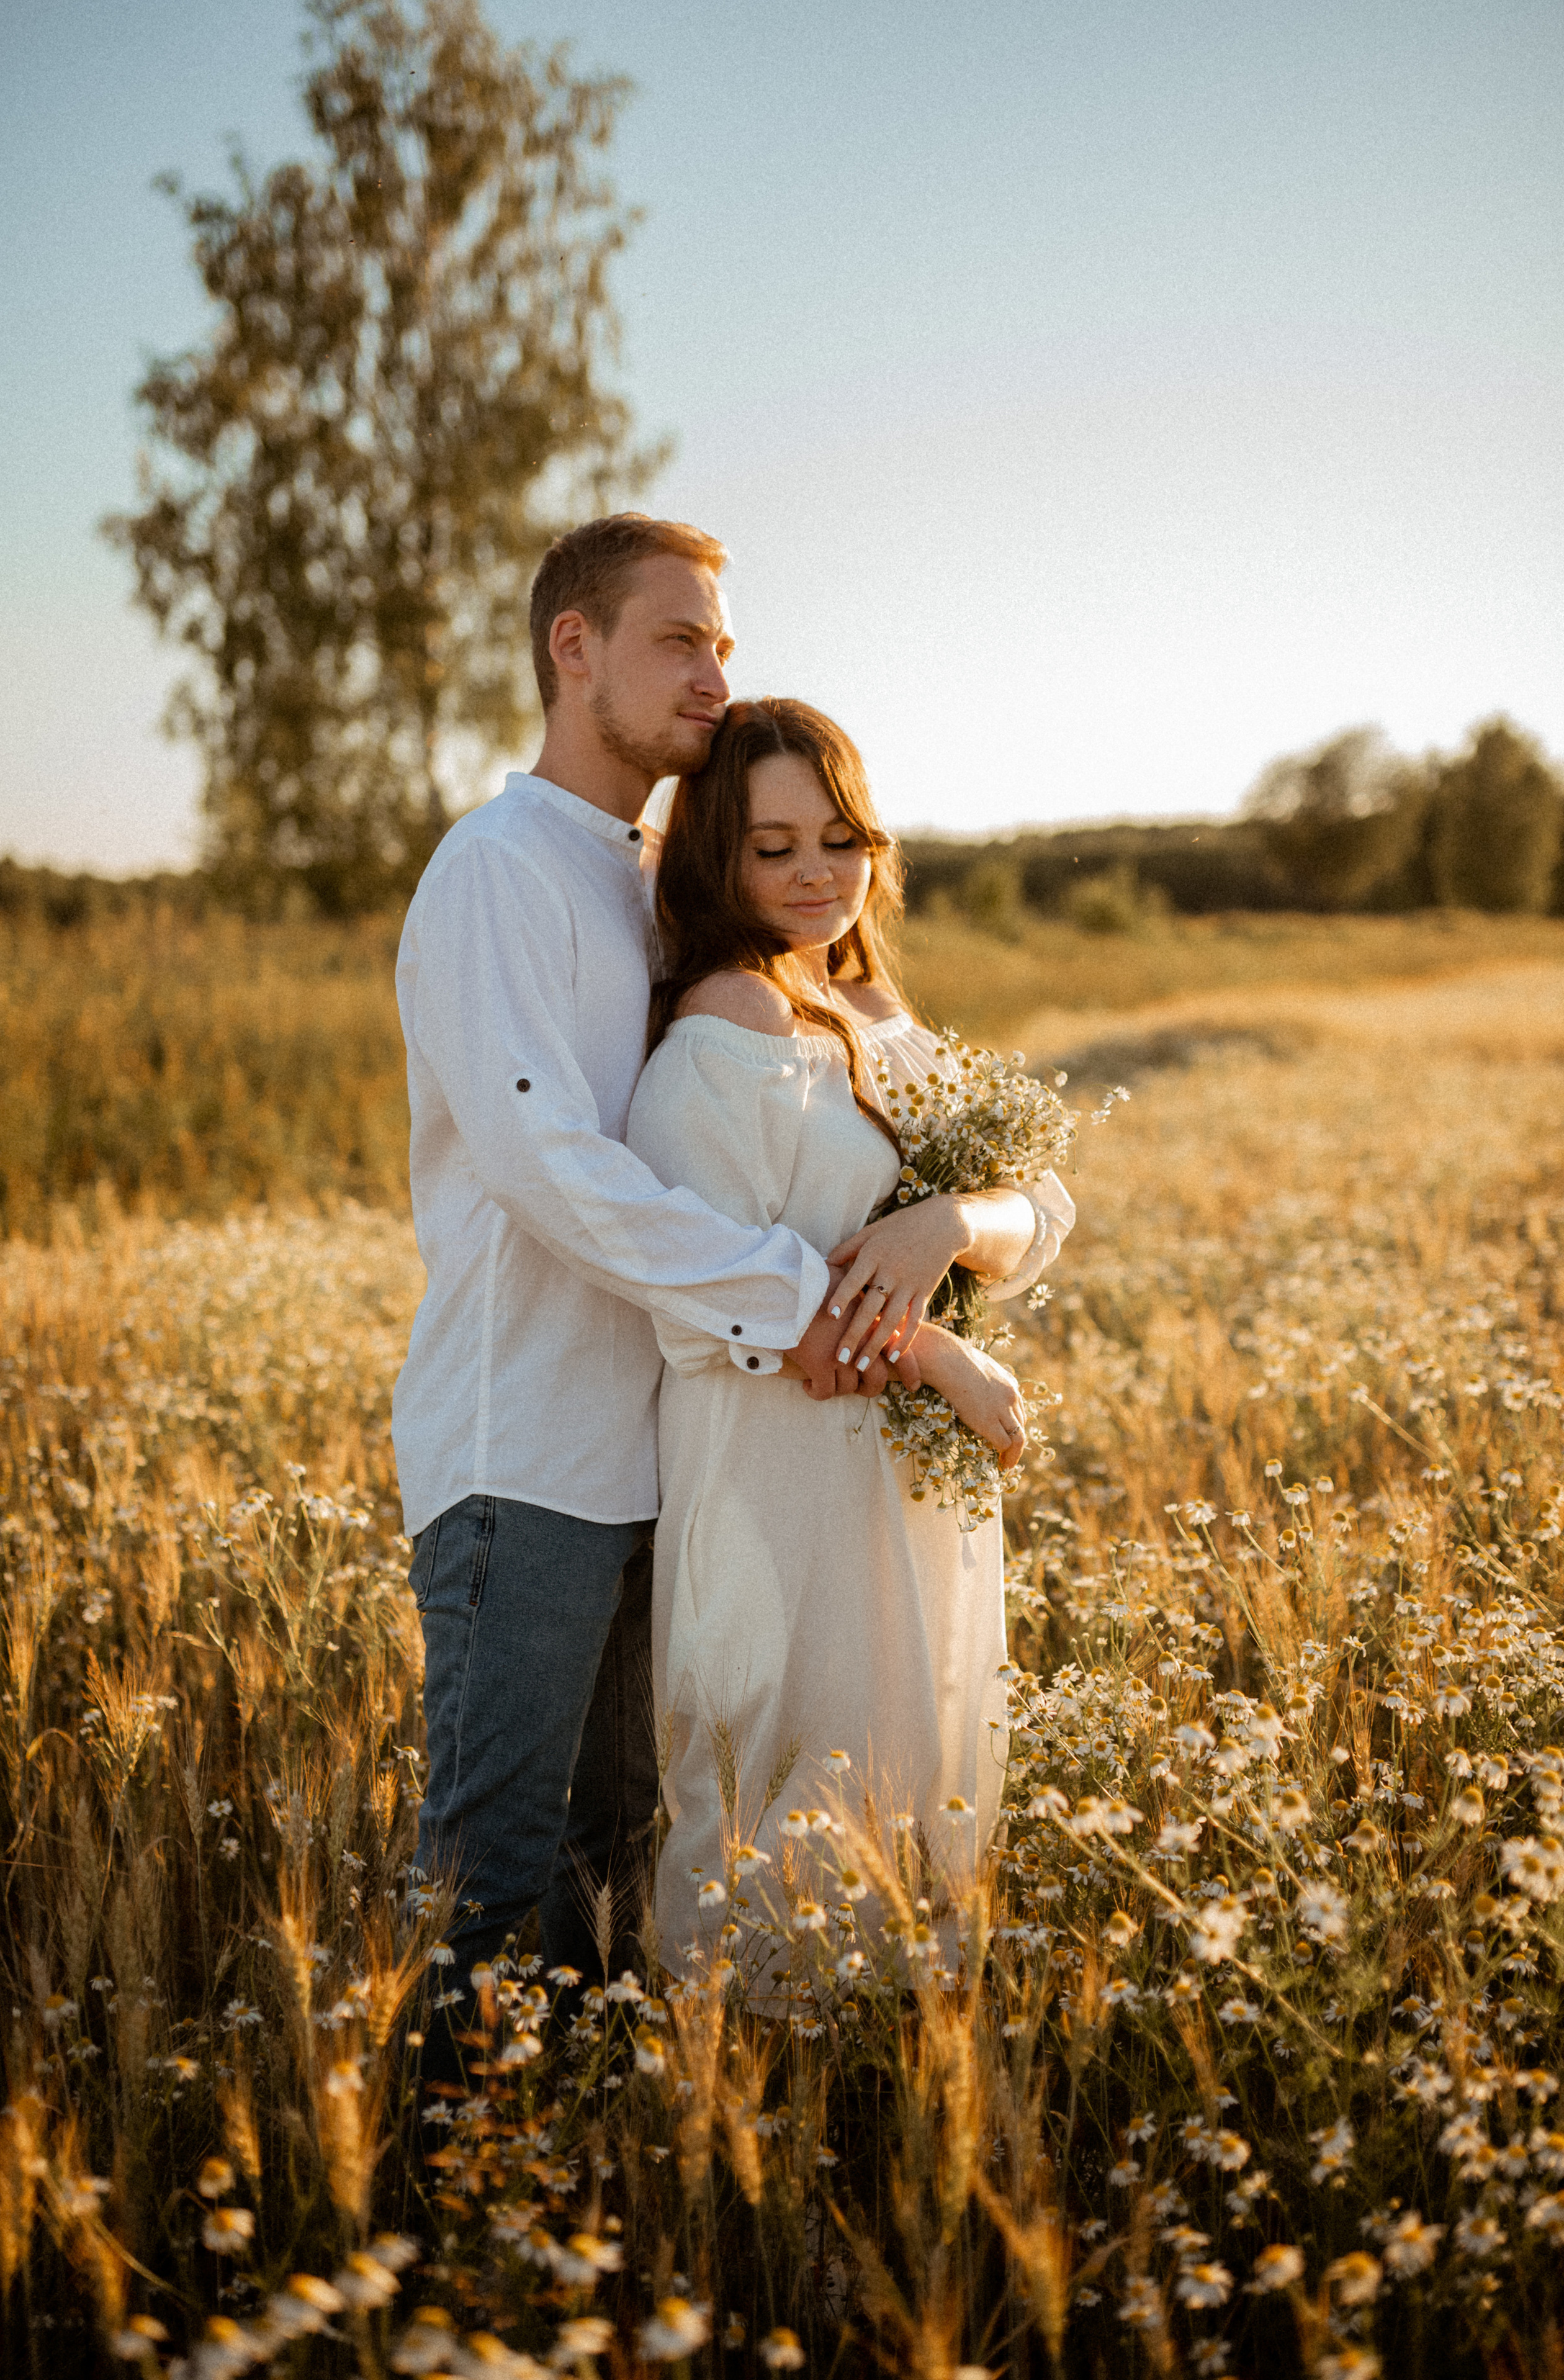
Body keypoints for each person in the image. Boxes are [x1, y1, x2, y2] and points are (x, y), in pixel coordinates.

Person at [392, 516, 1044, 2019]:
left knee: (624, 1868)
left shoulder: (642, 877)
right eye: (680, 640)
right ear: (575, 649)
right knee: (495, 1885)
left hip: (671, 1451)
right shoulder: (500, 870)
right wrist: (859, 1317)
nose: (711, 673)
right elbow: (550, 1162)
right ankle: (448, 2229)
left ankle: (591, 2209)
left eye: (722, 647)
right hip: (530, 1450)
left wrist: (938, 1233)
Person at [625, 698, 1074, 1987]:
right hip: (779, 1471)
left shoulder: (869, 1006)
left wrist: (949, 1219)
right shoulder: (725, 1025)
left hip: (903, 1477)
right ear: (718, 857)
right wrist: (938, 1354)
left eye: (839, 836)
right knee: (776, 1786)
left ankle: (878, 2083)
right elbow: (704, 1299)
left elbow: (1040, 1205)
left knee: (907, 1763)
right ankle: (738, 2105)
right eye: (772, 848)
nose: (814, 871)